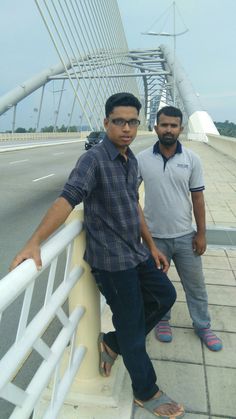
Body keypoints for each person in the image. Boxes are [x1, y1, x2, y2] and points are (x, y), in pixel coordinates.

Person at [10, 94, 185, 418]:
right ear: (106, 123)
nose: (127, 128)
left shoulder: (130, 159)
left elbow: (133, 205)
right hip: (112, 263)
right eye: (119, 121)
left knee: (165, 295)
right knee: (133, 326)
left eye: (133, 121)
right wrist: (34, 241)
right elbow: (67, 199)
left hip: (135, 252)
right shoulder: (94, 160)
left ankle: (113, 343)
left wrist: (151, 244)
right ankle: (146, 391)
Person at [137, 105, 223, 352]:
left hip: (186, 236)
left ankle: (203, 325)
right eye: (164, 125)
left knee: (195, 284)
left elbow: (197, 198)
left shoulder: (191, 159)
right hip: (154, 239)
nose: (168, 129)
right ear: (156, 128)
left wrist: (202, 233)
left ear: (181, 129)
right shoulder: (141, 159)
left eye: (173, 125)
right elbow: (131, 198)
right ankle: (163, 320)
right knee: (157, 286)